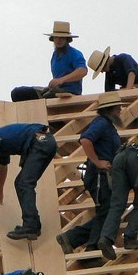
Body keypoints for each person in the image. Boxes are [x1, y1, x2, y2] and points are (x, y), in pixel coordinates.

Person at [0, 115, 57, 241]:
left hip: (40, 143)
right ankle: (33, 225)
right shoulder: (1, 137)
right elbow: (2, 166)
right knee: (21, 182)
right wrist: (0, 191)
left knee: (24, 183)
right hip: (45, 142)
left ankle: (30, 225)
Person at [56, 92, 124, 257]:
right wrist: (97, 162)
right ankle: (90, 250)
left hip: (102, 175)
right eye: (119, 108)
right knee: (106, 211)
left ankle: (71, 239)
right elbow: (85, 140)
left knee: (106, 211)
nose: (121, 111)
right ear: (112, 109)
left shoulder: (108, 125)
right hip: (98, 175)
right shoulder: (101, 123)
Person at [11, 21, 87, 101]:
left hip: (69, 92)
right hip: (55, 91)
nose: (58, 40)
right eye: (56, 37)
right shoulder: (55, 56)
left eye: (61, 38)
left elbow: (83, 71)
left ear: (67, 39)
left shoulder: (74, 53)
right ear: (53, 39)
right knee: (18, 93)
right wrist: (50, 87)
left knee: (46, 99)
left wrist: (61, 80)